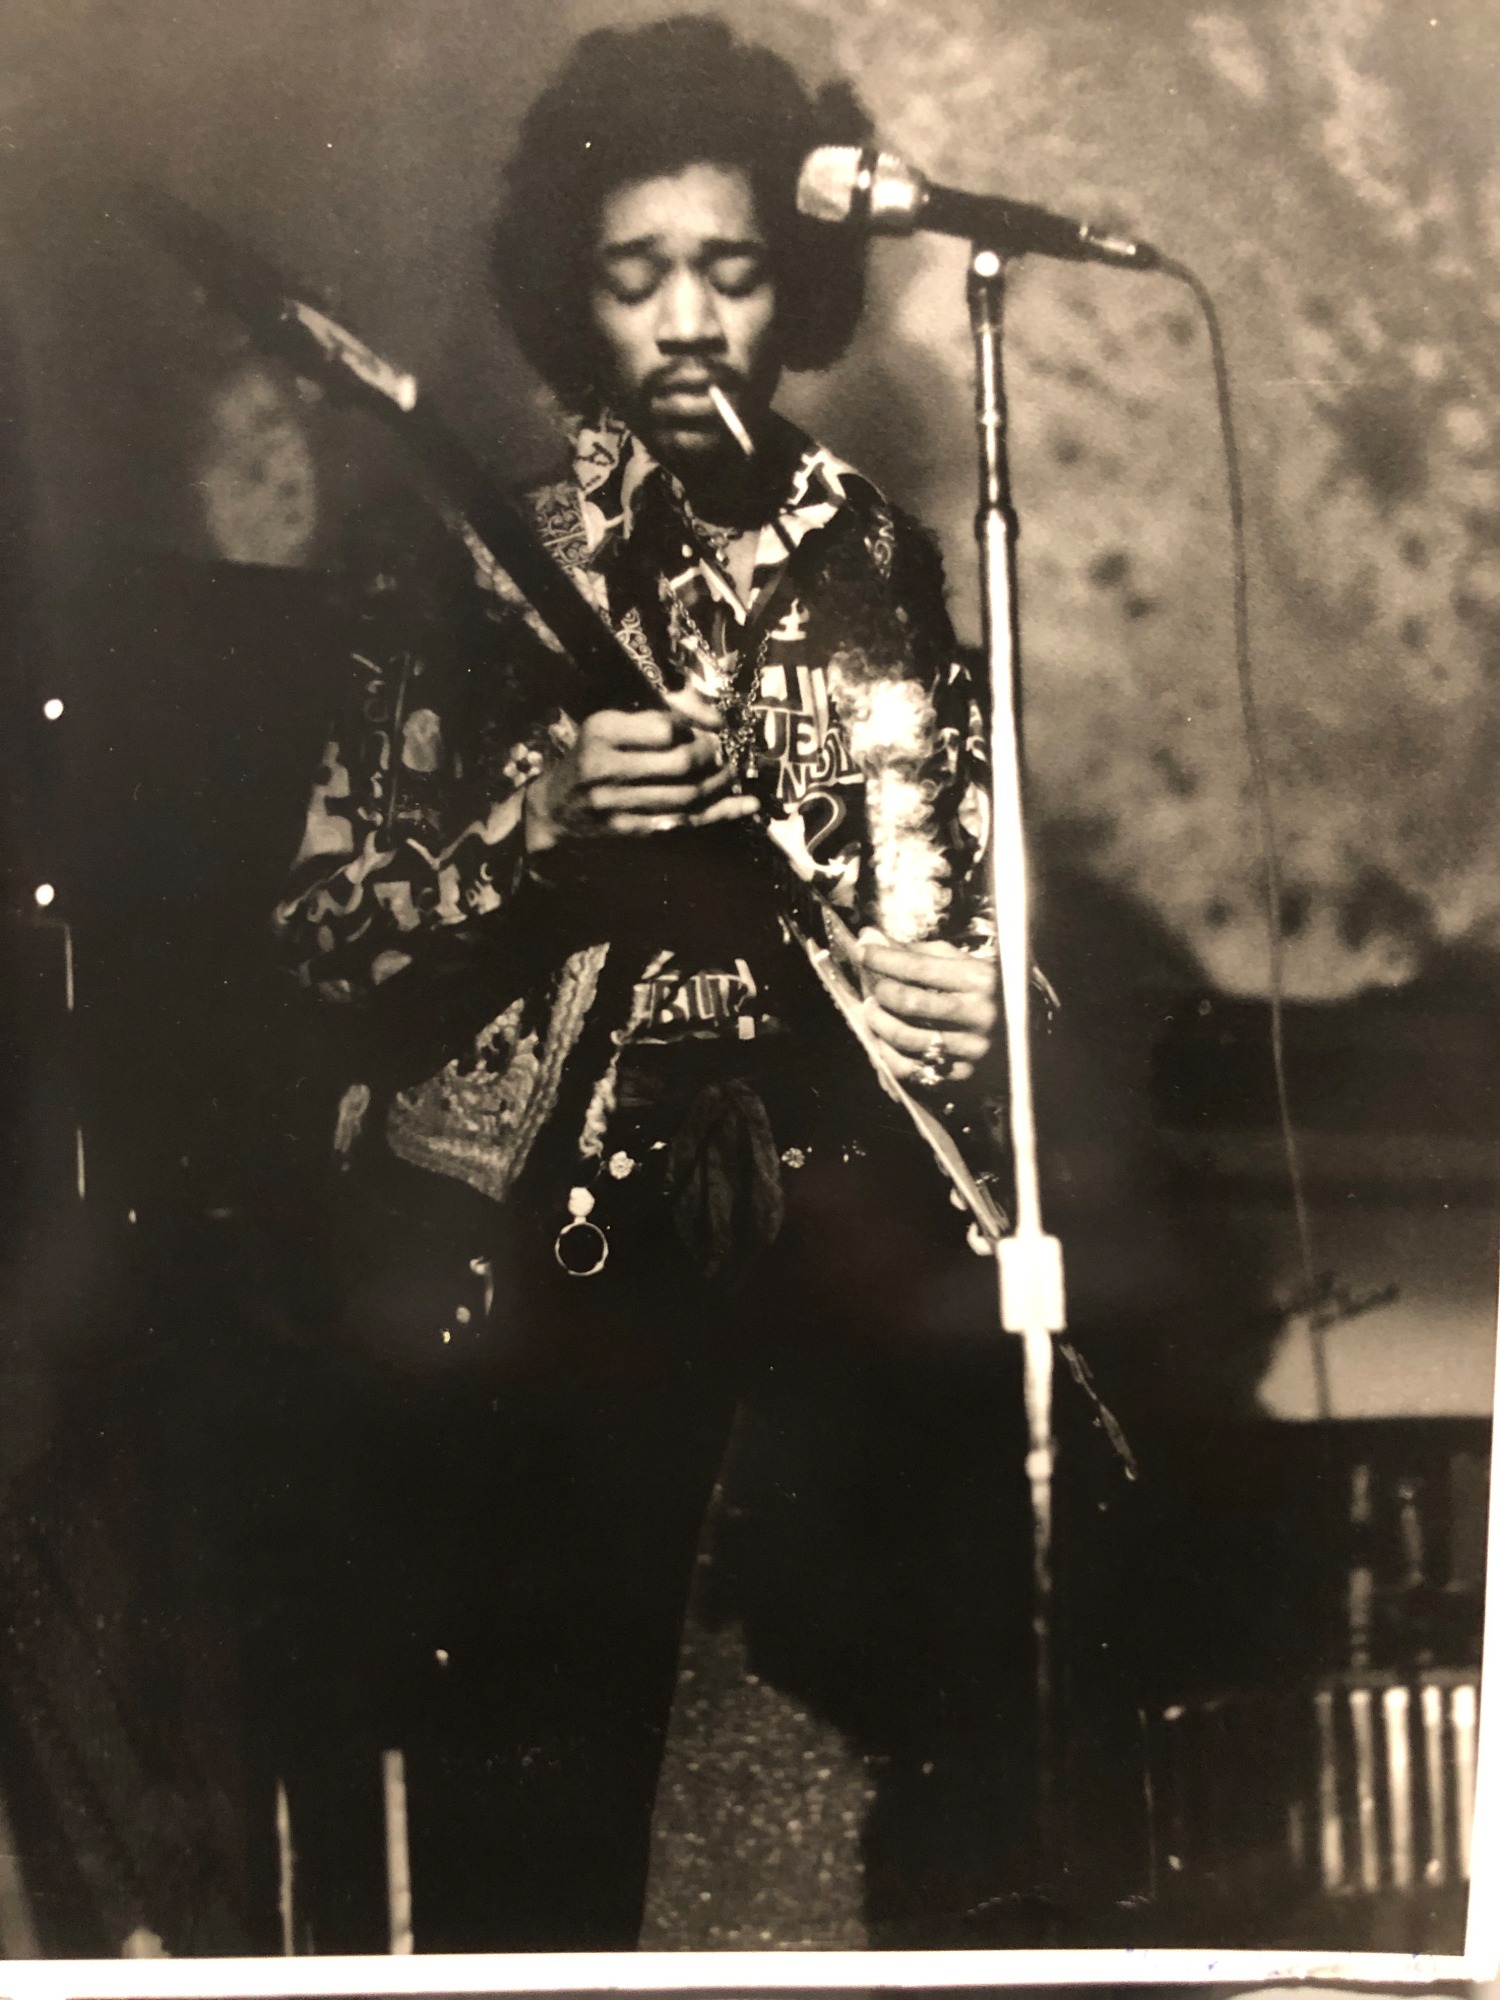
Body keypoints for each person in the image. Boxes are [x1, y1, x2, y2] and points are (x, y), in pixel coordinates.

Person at [265, 14, 1044, 1953]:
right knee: (552, 1843)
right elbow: (319, 943)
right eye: (637, 276)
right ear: (571, 291)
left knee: (846, 1827)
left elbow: (961, 897)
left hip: (835, 1286)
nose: (691, 321)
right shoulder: (477, 560)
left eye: (733, 269)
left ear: (794, 289)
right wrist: (534, 822)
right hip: (553, 1296)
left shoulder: (884, 565)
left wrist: (984, 1001)